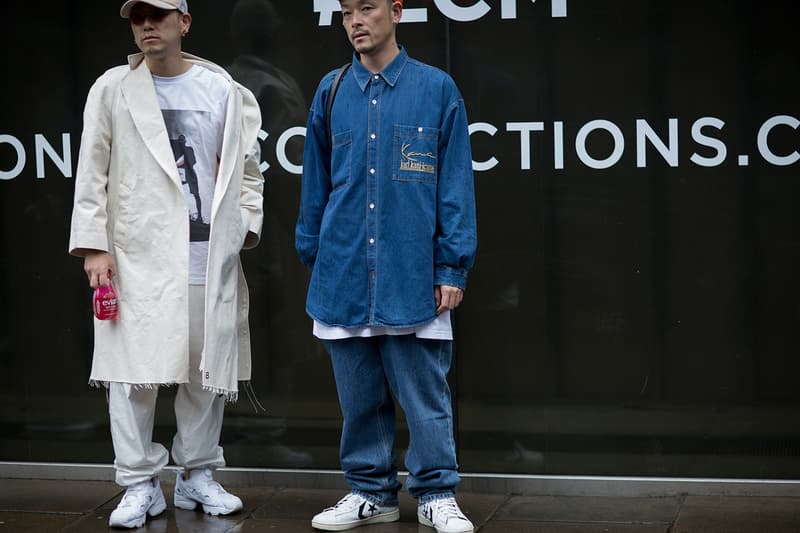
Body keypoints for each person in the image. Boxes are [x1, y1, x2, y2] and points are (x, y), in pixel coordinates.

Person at [68, 0, 264, 528]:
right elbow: (91, 172)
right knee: (133, 373)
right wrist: (94, 247)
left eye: (158, 15)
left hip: (207, 253)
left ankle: (196, 475)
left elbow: (248, 170)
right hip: (136, 253)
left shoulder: (222, 88)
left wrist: (243, 227)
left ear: (184, 22)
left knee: (206, 369)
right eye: (138, 18)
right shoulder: (112, 88)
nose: (147, 25)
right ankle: (138, 483)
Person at [295, 1, 477, 532]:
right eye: (346, 10)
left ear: (396, 11)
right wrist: (316, 251)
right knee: (359, 399)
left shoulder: (436, 89)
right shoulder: (330, 92)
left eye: (367, 8)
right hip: (344, 270)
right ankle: (369, 493)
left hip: (412, 271)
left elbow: (455, 188)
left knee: (426, 397)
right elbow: (316, 184)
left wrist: (452, 266)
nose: (355, 20)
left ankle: (436, 493)